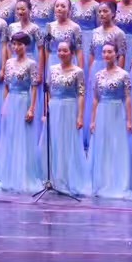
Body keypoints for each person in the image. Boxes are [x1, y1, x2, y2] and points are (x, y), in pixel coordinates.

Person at [40, 40, 90, 196]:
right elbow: (48, 91)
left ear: (72, 53)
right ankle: (53, 178)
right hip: (54, 107)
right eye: (59, 50)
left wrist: (80, 116)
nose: (61, 53)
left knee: (67, 143)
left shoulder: (78, 71)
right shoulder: (52, 69)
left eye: (65, 51)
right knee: (53, 142)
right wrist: (46, 111)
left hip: (69, 108)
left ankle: (68, 179)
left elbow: (81, 94)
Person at [0, 32, 41, 194]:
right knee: (10, 136)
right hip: (11, 101)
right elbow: (7, 86)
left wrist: (32, 108)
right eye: (14, 44)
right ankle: (8, 175)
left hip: (24, 100)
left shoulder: (31, 64)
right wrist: (4, 105)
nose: (16, 47)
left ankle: (23, 175)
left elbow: (34, 87)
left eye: (19, 44)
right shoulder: (9, 63)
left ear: (26, 46)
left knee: (23, 138)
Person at [88, 43, 132, 199]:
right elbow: (95, 98)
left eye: (110, 52)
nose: (106, 55)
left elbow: (128, 98)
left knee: (116, 145)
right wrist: (92, 120)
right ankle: (102, 180)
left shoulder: (124, 75)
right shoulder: (98, 75)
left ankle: (118, 180)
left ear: (116, 54)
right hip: (102, 111)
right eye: (104, 52)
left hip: (117, 111)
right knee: (103, 145)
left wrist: (129, 120)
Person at [86, 1, 127, 148]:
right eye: (100, 12)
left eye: (105, 11)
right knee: (96, 100)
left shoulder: (119, 33)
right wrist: (90, 71)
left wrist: (118, 75)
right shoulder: (95, 32)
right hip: (97, 68)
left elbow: (121, 55)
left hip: (113, 69)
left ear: (113, 13)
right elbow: (92, 53)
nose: (102, 14)